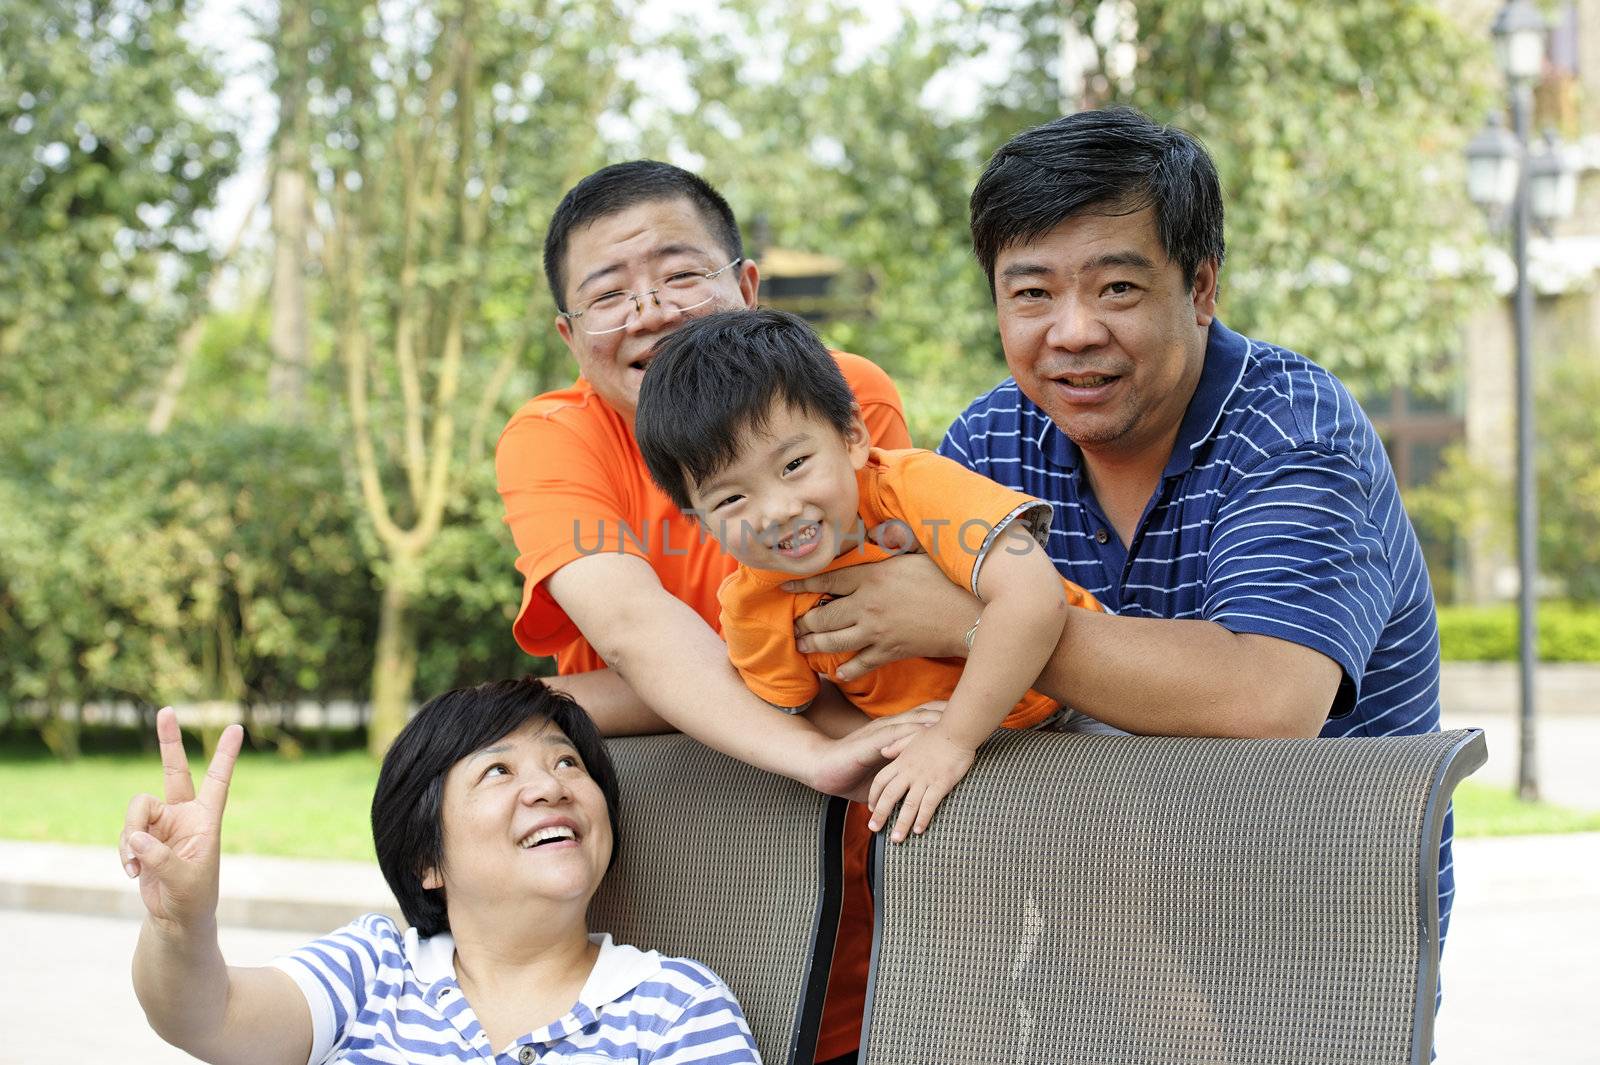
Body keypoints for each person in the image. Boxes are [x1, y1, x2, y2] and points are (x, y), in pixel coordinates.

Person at [783, 106, 1454, 946]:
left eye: (1118, 288)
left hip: (1314, 916)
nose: (1072, 331)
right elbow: (885, 655)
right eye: (1032, 293)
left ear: (1201, 287)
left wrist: (972, 624)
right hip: (1082, 917)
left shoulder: (1292, 428)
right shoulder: (992, 440)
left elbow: (1269, 698)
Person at [495, 160, 932, 1063]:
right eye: (610, 294)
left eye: (680, 273)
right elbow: (636, 627)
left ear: (746, 286)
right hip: (661, 869)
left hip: (857, 866)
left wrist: (586, 697)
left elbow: (859, 628)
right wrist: (810, 744)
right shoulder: (555, 438)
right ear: (572, 336)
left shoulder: (844, 391)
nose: (651, 310)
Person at [635, 307, 1104, 842]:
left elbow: (1034, 600)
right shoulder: (755, 605)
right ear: (700, 522)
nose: (777, 510)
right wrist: (896, 744)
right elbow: (806, 704)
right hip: (967, 758)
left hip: (1080, 701)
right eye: (733, 497)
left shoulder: (913, 488)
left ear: (853, 435)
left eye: (793, 466)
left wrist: (952, 738)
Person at [120, 682, 760, 1064]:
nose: (549, 787)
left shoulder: (674, 1005)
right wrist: (180, 920)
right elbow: (207, 1016)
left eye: (567, 763)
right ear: (427, 859)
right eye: (499, 771)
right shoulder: (372, 972)